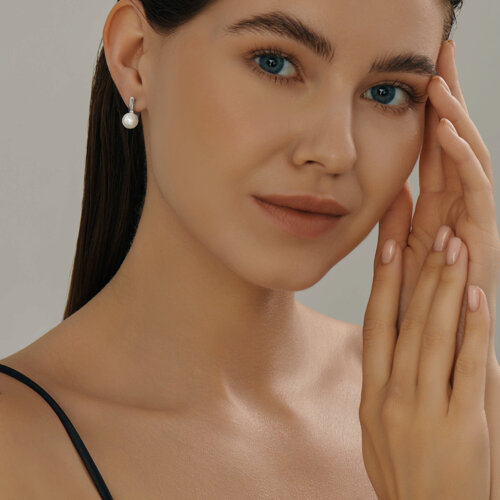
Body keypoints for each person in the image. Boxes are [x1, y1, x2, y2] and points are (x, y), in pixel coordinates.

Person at [1, 0, 499, 498]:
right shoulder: (17, 449)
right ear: (135, 58)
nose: (335, 152)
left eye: (387, 93)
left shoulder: (457, 420)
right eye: (274, 63)